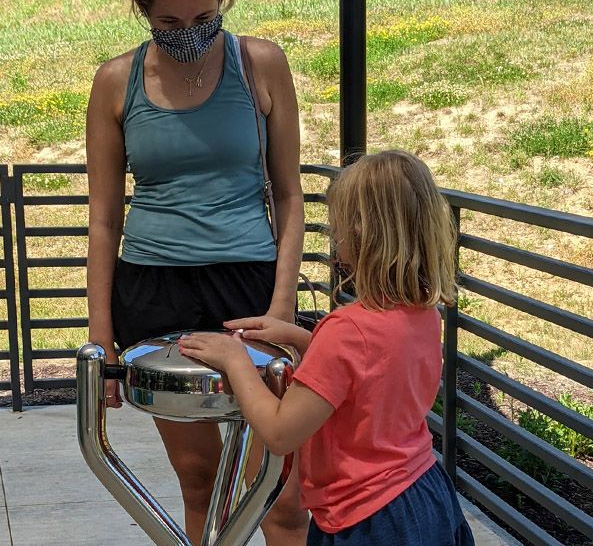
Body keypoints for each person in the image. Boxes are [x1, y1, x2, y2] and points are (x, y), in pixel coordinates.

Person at [85, 0, 307, 544]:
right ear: (142, 11)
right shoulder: (115, 80)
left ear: (224, 2)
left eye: (204, 20)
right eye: (170, 25)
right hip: (156, 293)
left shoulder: (259, 63)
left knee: (280, 493)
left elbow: (289, 197)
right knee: (198, 479)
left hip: (250, 285)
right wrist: (101, 341)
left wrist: (282, 310)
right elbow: (104, 220)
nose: (189, 36)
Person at [178, 150, 476, 545]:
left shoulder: (347, 331)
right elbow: (374, 371)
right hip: (425, 494)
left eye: (337, 225)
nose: (333, 235)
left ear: (360, 233)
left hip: (367, 519)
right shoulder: (422, 313)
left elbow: (282, 432)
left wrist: (236, 362)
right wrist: (304, 338)